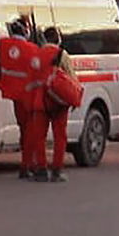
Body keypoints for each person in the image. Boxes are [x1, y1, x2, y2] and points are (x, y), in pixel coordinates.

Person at [0, 18, 38, 179]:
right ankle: (28, 166)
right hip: (30, 96)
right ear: (26, 32)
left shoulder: (3, 43)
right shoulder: (32, 49)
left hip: (14, 95)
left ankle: (28, 164)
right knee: (31, 132)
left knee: (23, 129)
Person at [35, 26, 76, 183]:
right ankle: (56, 170)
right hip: (59, 102)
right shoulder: (62, 54)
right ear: (58, 39)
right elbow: (72, 77)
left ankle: (41, 169)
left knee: (39, 137)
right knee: (60, 137)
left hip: (40, 100)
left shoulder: (37, 54)